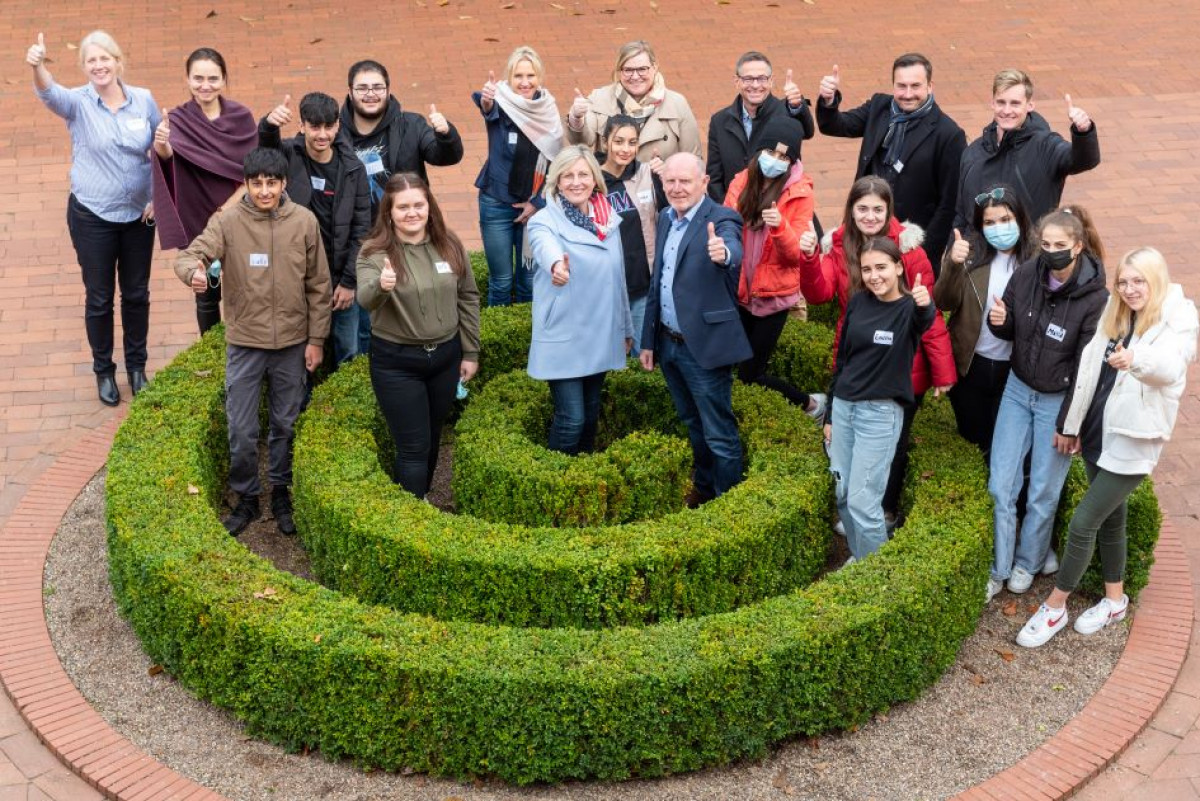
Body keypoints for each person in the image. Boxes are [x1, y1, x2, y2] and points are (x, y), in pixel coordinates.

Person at [1016, 247, 1197, 647]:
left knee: (1083, 524)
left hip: (1133, 442)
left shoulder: (1178, 322)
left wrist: (1137, 358)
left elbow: (1169, 367)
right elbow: (1088, 375)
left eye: (1139, 281)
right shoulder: (1115, 314)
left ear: (1157, 280)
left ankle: (1055, 606)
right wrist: (1075, 424)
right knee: (1113, 521)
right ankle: (1115, 601)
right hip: (1100, 432)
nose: (1130, 289)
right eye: (1124, 281)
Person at [174, 147, 331, 536]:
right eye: (257, 183)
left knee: (286, 423)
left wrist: (317, 340)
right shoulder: (227, 222)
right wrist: (191, 272)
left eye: (271, 183)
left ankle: (280, 490)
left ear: (283, 184)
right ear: (246, 184)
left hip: (293, 343)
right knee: (241, 429)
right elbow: (190, 254)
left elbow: (319, 286)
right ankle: (246, 495)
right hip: (244, 343)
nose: (264, 191)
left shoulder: (305, 222)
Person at [798, 176, 956, 528]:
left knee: (893, 443)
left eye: (877, 209)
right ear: (851, 211)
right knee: (851, 436)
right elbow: (819, 293)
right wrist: (809, 259)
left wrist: (942, 371)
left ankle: (883, 508)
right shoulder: (837, 247)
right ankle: (860, 503)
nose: (870, 216)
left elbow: (927, 311)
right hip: (856, 356)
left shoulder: (909, 251)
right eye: (862, 209)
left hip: (902, 362)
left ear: (889, 211)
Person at [29, 30, 160, 406]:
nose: (99, 66)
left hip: (139, 217)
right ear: (84, 67)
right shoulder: (78, 103)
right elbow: (48, 93)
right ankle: (104, 370)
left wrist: (157, 199)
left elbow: (158, 150)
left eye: (105, 59)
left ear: (118, 61)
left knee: (136, 294)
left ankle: (137, 367)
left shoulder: (144, 100)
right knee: (100, 297)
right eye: (91, 61)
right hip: (93, 216)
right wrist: (38, 66)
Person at [985, 209, 1108, 602]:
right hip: (1018, 390)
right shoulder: (1027, 273)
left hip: (1058, 399)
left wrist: (1069, 424)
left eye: (1060, 246)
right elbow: (1006, 327)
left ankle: (1029, 561)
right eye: (1046, 244)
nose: (1052, 252)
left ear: (1078, 246)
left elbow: (1085, 368)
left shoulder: (1096, 299)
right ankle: (998, 567)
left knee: (1042, 490)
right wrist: (998, 321)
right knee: (1000, 484)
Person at [357, 174, 480, 497]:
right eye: (403, 207)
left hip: (445, 357)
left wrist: (470, 352)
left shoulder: (448, 244)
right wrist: (380, 286)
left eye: (418, 205)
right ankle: (414, 512)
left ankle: (419, 498)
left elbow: (467, 296)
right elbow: (364, 299)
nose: (412, 213)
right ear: (389, 213)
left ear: (429, 207)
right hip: (397, 363)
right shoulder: (375, 252)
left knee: (433, 436)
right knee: (413, 446)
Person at [639, 153, 751, 506]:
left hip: (703, 348)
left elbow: (732, 246)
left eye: (685, 181)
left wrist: (724, 253)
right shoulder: (666, 217)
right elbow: (659, 281)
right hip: (669, 344)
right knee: (692, 423)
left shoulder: (722, 219)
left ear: (703, 183)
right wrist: (648, 340)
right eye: (670, 181)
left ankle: (727, 502)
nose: (676, 188)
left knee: (719, 432)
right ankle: (704, 489)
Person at [339, 59, 465, 352]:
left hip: (405, 238)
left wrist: (446, 134)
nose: (370, 94)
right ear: (350, 92)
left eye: (377, 87)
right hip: (358, 239)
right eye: (363, 88)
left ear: (388, 90)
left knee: (403, 314)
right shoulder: (337, 131)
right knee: (360, 322)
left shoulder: (411, 124)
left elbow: (445, 156)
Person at [826, 237, 936, 561]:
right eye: (867, 269)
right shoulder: (859, 302)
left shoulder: (909, 309)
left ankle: (878, 579)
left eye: (882, 267)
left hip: (880, 415)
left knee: (864, 502)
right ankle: (861, 560)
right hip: (845, 409)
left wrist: (924, 303)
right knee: (843, 494)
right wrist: (831, 413)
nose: (874, 276)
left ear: (899, 266)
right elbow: (843, 361)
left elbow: (924, 321)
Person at [526, 146, 631, 455]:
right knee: (571, 419)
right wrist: (557, 267)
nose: (576, 182)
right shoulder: (544, 220)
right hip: (565, 334)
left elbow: (619, 278)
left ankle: (582, 476)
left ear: (595, 180)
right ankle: (555, 481)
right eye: (567, 175)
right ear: (556, 181)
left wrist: (625, 327)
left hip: (601, 333)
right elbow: (546, 249)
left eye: (583, 174)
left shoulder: (608, 220)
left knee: (590, 415)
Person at [815, 53, 965, 267]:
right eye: (901, 86)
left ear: (930, 86)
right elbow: (836, 125)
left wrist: (921, 253)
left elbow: (948, 205)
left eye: (916, 86)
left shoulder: (949, 135)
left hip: (907, 244)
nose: (908, 94)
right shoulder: (879, 107)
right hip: (864, 230)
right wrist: (829, 101)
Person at [721, 115, 825, 419]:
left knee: (752, 372)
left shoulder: (800, 193)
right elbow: (727, 224)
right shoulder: (742, 181)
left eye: (784, 157)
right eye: (770, 153)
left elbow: (795, 256)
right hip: (740, 292)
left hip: (773, 297)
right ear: (758, 152)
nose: (775, 161)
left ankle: (810, 404)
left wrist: (780, 227)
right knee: (730, 363)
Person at [151, 47, 257, 335]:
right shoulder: (178, 119)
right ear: (187, 79)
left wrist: (226, 210)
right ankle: (209, 351)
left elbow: (255, 170)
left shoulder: (242, 118)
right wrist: (161, 144)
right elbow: (169, 159)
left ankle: (244, 354)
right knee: (206, 292)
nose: (205, 85)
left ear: (224, 80)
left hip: (239, 215)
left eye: (213, 78)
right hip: (197, 214)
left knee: (247, 288)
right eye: (198, 78)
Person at [259, 92, 371, 365]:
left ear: (337, 126)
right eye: (314, 127)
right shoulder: (288, 155)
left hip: (340, 278)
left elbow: (362, 230)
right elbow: (265, 152)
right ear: (302, 126)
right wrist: (268, 125)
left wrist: (348, 282)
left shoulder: (353, 169)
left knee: (347, 350)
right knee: (299, 352)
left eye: (328, 127)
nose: (322, 134)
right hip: (299, 277)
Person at [933, 185, 1037, 461]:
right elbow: (944, 302)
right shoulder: (968, 253)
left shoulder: (1036, 261)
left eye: (1005, 220)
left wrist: (1010, 320)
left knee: (1008, 443)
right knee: (974, 439)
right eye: (989, 222)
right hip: (972, 365)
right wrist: (952, 265)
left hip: (1014, 370)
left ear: (1020, 219)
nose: (998, 228)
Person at [954, 69, 1100, 233]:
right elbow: (962, 214)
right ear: (992, 103)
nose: (1007, 110)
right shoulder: (973, 153)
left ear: (1030, 105)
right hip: (983, 255)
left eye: (1015, 103)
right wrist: (954, 252)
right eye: (1001, 102)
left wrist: (1083, 132)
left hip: (1030, 254)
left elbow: (1084, 160)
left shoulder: (1046, 146)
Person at [472, 46, 564, 307]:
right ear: (508, 78)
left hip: (535, 208)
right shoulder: (499, 102)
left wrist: (537, 203)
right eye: (518, 76)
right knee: (500, 282)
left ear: (540, 77)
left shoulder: (548, 109)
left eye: (531, 75)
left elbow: (557, 165)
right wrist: (488, 100)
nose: (525, 82)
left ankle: (529, 343)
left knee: (529, 281)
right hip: (496, 204)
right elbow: (486, 107)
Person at [566, 40, 701, 163]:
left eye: (642, 69)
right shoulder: (600, 98)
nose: (635, 77)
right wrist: (576, 118)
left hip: (659, 187)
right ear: (619, 71)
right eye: (628, 70)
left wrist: (668, 173)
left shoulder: (677, 103)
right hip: (612, 186)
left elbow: (692, 159)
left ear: (654, 67)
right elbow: (582, 141)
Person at [706, 51, 815, 202]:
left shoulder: (785, 112)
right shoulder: (720, 121)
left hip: (779, 209)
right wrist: (728, 215)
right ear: (737, 81)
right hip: (736, 211)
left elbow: (807, 131)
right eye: (748, 79)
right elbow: (715, 177)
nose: (755, 85)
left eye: (762, 79)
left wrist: (797, 106)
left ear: (771, 81)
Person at [598, 114, 666, 353]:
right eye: (618, 141)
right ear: (606, 142)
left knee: (641, 353)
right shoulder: (590, 180)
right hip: (606, 286)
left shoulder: (648, 174)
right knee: (608, 353)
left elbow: (671, 212)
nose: (625, 149)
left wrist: (666, 176)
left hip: (640, 283)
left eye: (632, 142)